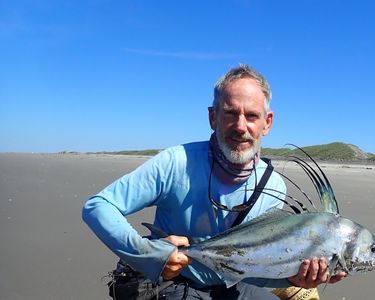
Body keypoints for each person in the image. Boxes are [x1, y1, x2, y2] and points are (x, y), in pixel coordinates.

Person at [82, 64, 345, 299]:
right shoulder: (176, 163)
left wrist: (292, 278)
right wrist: (152, 255)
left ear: (267, 123)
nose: (240, 126)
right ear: (213, 117)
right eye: (231, 113)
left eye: (252, 116)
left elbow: (247, 267)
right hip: (174, 284)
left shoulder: (274, 186)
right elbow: (99, 206)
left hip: (231, 287)